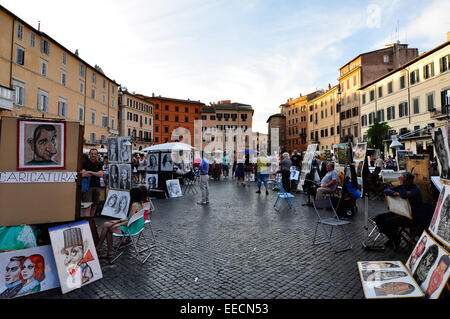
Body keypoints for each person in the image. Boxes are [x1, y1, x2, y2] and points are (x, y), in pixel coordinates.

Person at [373, 172, 428, 250]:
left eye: (403, 179)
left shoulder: (415, 190)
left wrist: (401, 185)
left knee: (389, 221)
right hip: (402, 212)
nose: (400, 180)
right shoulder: (402, 187)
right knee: (378, 218)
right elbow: (386, 190)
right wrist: (394, 193)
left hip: (412, 216)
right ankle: (393, 238)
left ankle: (395, 240)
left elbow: (404, 195)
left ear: (408, 181)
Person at [96, 187, 144, 259]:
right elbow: (129, 218)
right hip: (136, 226)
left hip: (131, 228)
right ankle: (100, 248)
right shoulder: (140, 203)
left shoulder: (135, 205)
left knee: (108, 228)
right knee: (106, 224)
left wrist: (118, 224)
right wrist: (118, 221)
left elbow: (129, 221)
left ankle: (105, 251)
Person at [81, 149, 104, 217]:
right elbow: (83, 174)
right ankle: (88, 222)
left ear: (97, 155)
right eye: (92, 154)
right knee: (88, 205)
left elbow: (100, 174)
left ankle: (92, 221)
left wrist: (90, 172)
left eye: (95, 154)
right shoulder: (85, 163)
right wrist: (96, 173)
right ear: (89, 154)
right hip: (88, 187)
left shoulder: (99, 164)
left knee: (94, 205)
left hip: (97, 186)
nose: (93, 155)